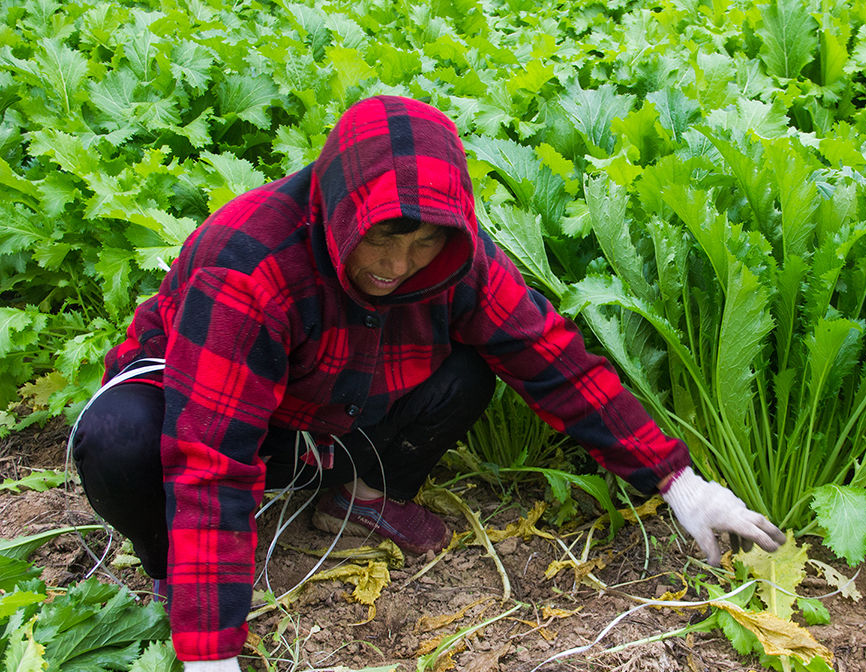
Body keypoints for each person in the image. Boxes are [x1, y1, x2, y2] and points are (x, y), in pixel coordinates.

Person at [69, 96, 785, 671]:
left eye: (423, 243)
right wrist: (211, 654)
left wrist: (680, 483)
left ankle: (359, 503)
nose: (398, 264)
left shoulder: (459, 257)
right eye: (381, 238)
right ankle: (175, 572)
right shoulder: (249, 261)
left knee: (473, 369)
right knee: (120, 442)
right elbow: (212, 457)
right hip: (195, 408)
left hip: (327, 414)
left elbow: (553, 359)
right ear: (340, 207)